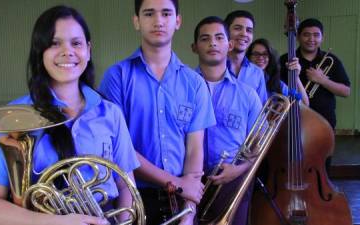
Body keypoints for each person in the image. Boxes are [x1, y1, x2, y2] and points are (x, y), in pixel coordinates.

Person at [0, 5, 140, 225]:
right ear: (40, 52)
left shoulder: (111, 113)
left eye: (76, 43)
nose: (67, 51)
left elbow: (126, 185)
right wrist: (58, 222)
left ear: (88, 49)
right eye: (54, 43)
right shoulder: (11, 117)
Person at [99, 0, 216, 224]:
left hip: (180, 201)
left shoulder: (195, 84)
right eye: (149, 13)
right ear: (137, 21)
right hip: (131, 197)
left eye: (166, 13)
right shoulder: (117, 77)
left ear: (177, 21)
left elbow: (194, 153)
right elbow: (119, 150)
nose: (158, 21)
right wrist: (176, 183)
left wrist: (188, 215)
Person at [191, 16, 262, 225]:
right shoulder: (180, 89)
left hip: (233, 179)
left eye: (219, 37)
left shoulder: (248, 95)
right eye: (205, 38)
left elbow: (260, 144)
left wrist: (238, 170)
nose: (212, 43)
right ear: (194, 47)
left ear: (229, 45)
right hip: (189, 181)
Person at [280, 18, 351, 174]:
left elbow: (345, 91)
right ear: (298, 37)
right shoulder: (286, 60)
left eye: (316, 35)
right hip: (294, 120)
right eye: (306, 35)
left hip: (324, 122)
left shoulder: (332, 60)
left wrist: (322, 80)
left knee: (323, 164)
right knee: (293, 161)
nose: (311, 39)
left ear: (322, 38)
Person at [247, 38, 309, 105]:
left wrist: (296, 77)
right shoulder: (242, 79)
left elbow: (304, 103)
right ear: (249, 57)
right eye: (256, 54)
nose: (260, 57)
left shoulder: (277, 83)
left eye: (265, 54)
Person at [224, 10, 268, 104]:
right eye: (237, 28)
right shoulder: (214, 67)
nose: (244, 34)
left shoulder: (257, 73)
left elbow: (261, 112)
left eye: (249, 30)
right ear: (226, 32)